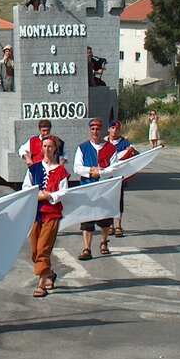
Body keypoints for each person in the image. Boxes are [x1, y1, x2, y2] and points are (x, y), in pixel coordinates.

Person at [22, 136, 69, 297]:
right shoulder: (33, 169)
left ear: (55, 149)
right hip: (35, 213)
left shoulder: (61, 171)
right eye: (45, 146)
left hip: (52, 214)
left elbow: (63, 192)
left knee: (43, 249)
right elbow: (26, 189)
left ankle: (41, 284)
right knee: (35, 251)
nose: (47, 149)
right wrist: (38, 195)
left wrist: (49, 196)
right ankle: (49, 273)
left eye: (50, 146)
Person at [73, 118, 114, 260]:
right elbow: (77, 168)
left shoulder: (110, 148)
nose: (95, 132)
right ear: (89, 130)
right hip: (87, 187)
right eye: (92, 129)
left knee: (105, 217)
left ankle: (104, 242)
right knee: (87, 219)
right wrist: (91, 170)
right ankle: (87, 248)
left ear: (101, 130)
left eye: (97, 129)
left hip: (104, 188)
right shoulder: (82, 148)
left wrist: (101, 173)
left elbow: (114, 168)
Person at [102, 121, 138, 238]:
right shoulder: (104, 142)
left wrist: (131, 151)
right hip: (107, 175)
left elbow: (135, 154)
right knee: (108, 200)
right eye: (112, 127)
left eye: (117, 128)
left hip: (120, 176)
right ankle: (110, 225)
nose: (115, 130)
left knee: (118, 200)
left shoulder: (124, 143)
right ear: (108, 129)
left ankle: (118, 225)